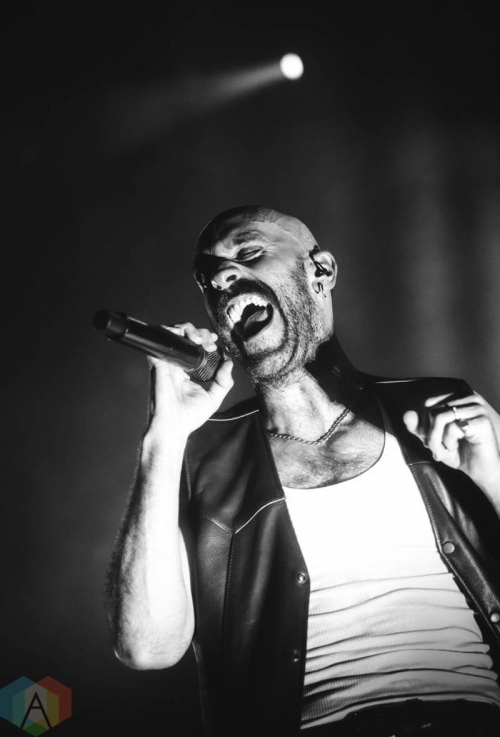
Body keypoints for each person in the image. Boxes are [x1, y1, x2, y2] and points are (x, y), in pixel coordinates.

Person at [105, 205, 500, 737]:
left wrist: (495, 477)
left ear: (322, 271)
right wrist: (164, 434)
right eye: (207, 276)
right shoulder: (200, 458)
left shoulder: (439, 407)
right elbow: (147, 647)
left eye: (248, 253)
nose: (220, 279)